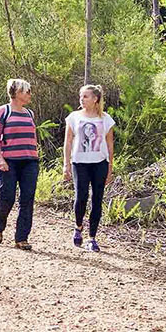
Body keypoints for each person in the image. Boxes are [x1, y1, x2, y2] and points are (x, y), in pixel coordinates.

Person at [62, 84, 115, 252]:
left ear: (95, 99)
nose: (81, 99)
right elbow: (68, 141)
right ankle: (78, 227)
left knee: (97, 200)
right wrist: (66, 164)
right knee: (81, 197)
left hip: (100, 163)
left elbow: (110, 144)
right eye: (81, 96)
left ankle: (92, 238)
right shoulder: (74, 117)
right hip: (80, 163)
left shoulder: (105, 119)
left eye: (85, 96)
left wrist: (110, 168)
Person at [0, 78, 40, 250]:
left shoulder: (30, 113)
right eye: (27, 91)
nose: (30, 94)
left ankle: (21, 238)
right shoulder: (4, 111)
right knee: (7, 197)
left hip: (30, 162)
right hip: (9, 162)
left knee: (27, 199)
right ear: (17, 93)